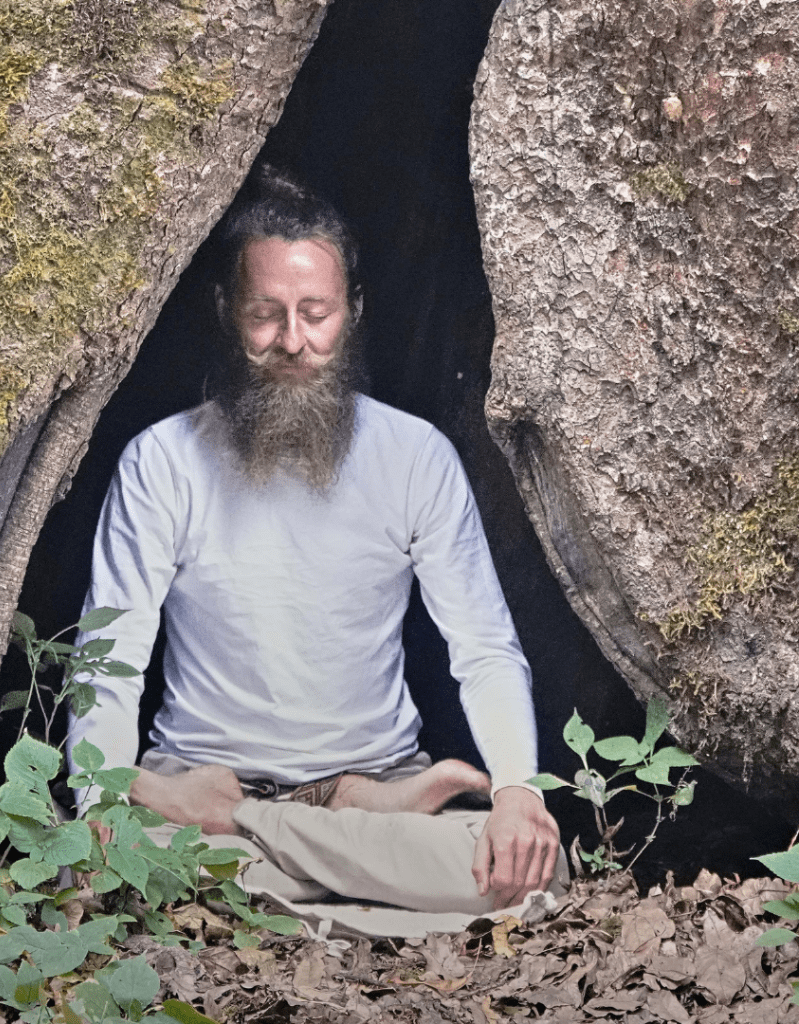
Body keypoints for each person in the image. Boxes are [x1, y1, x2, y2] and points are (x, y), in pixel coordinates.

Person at [68, 167, 563, 914]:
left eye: (316, 313)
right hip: (198, 789)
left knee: (527, 869)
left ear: (353, 311)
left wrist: (519, 793)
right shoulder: (162, 461)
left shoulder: (416, 457)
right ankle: (326, 853)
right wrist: (105, 797)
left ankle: (276, 842)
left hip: (371, 787)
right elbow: (109, 655)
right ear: (226, 309)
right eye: (265, 314)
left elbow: (484, 647)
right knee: (111, 861)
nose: (293, 341)